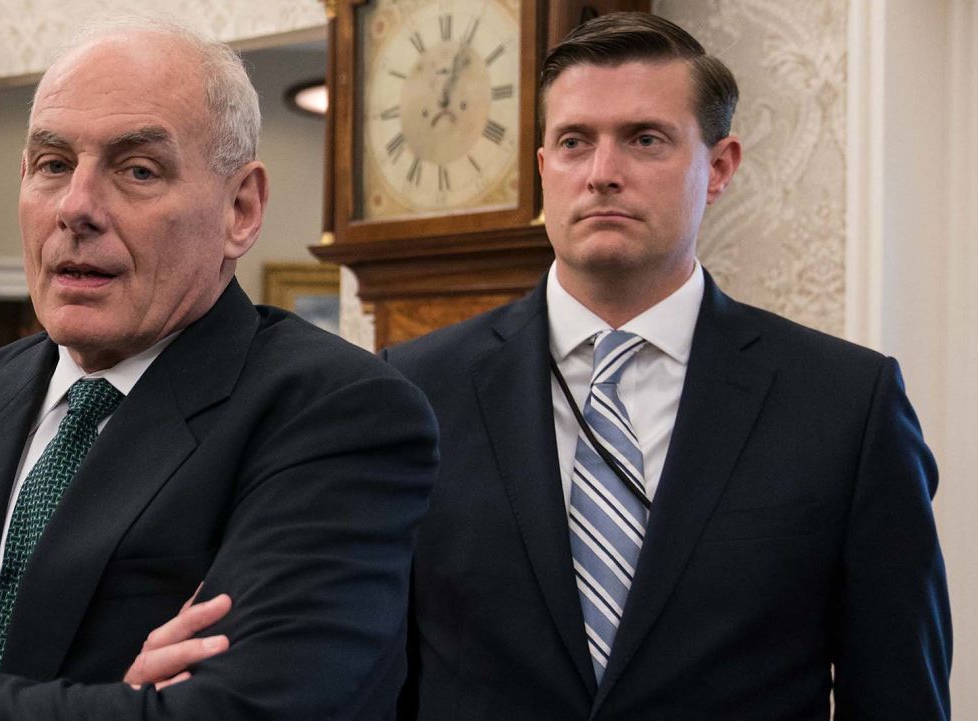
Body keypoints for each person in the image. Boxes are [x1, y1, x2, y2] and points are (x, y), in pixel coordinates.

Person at [0, 15, 438, 721]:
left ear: (240, 210)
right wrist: (112, 702)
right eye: (53, 163)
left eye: (137, 169)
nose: (76, 207)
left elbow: (243, 710)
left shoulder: (337, 413)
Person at [383, 12, 951, 721]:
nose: (602, 174)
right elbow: (376, 679)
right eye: (573, 142)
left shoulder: (845, 405)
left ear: (718, 168)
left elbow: (898, 694)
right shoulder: (412, 391)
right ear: (541, 169)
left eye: (644, 139)